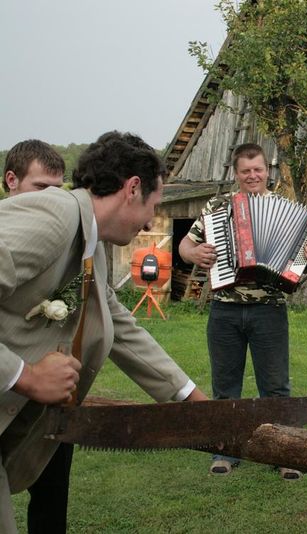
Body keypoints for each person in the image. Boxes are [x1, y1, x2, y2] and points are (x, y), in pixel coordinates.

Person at [0, 131, 208, 533]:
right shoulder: (55, 216)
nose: (151, 219)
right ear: (132, 189)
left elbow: (120, 325)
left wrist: (191, 401)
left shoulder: (87, 238)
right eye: (153, 203)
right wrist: (25, 376)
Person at [179, 142, 307, 477]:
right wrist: (194, 253)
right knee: (225, 385)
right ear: (236, 173)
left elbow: (298, 269)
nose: (253, 176)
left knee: (275, 386)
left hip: (269, 309)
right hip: (224, 310)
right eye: (246, 171)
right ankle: (225, 452)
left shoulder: (289, 210)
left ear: (266, 171)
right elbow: (187, 243)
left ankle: (282, 452)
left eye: (258, 169)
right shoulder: (217, 206)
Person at [2, 139, 70, 534]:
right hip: (7, 387)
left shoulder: (66, 240)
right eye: (41, 189)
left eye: (58, 191)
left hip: (49, 401)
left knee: (51, 498)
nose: (52, 201)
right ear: (11, 180)